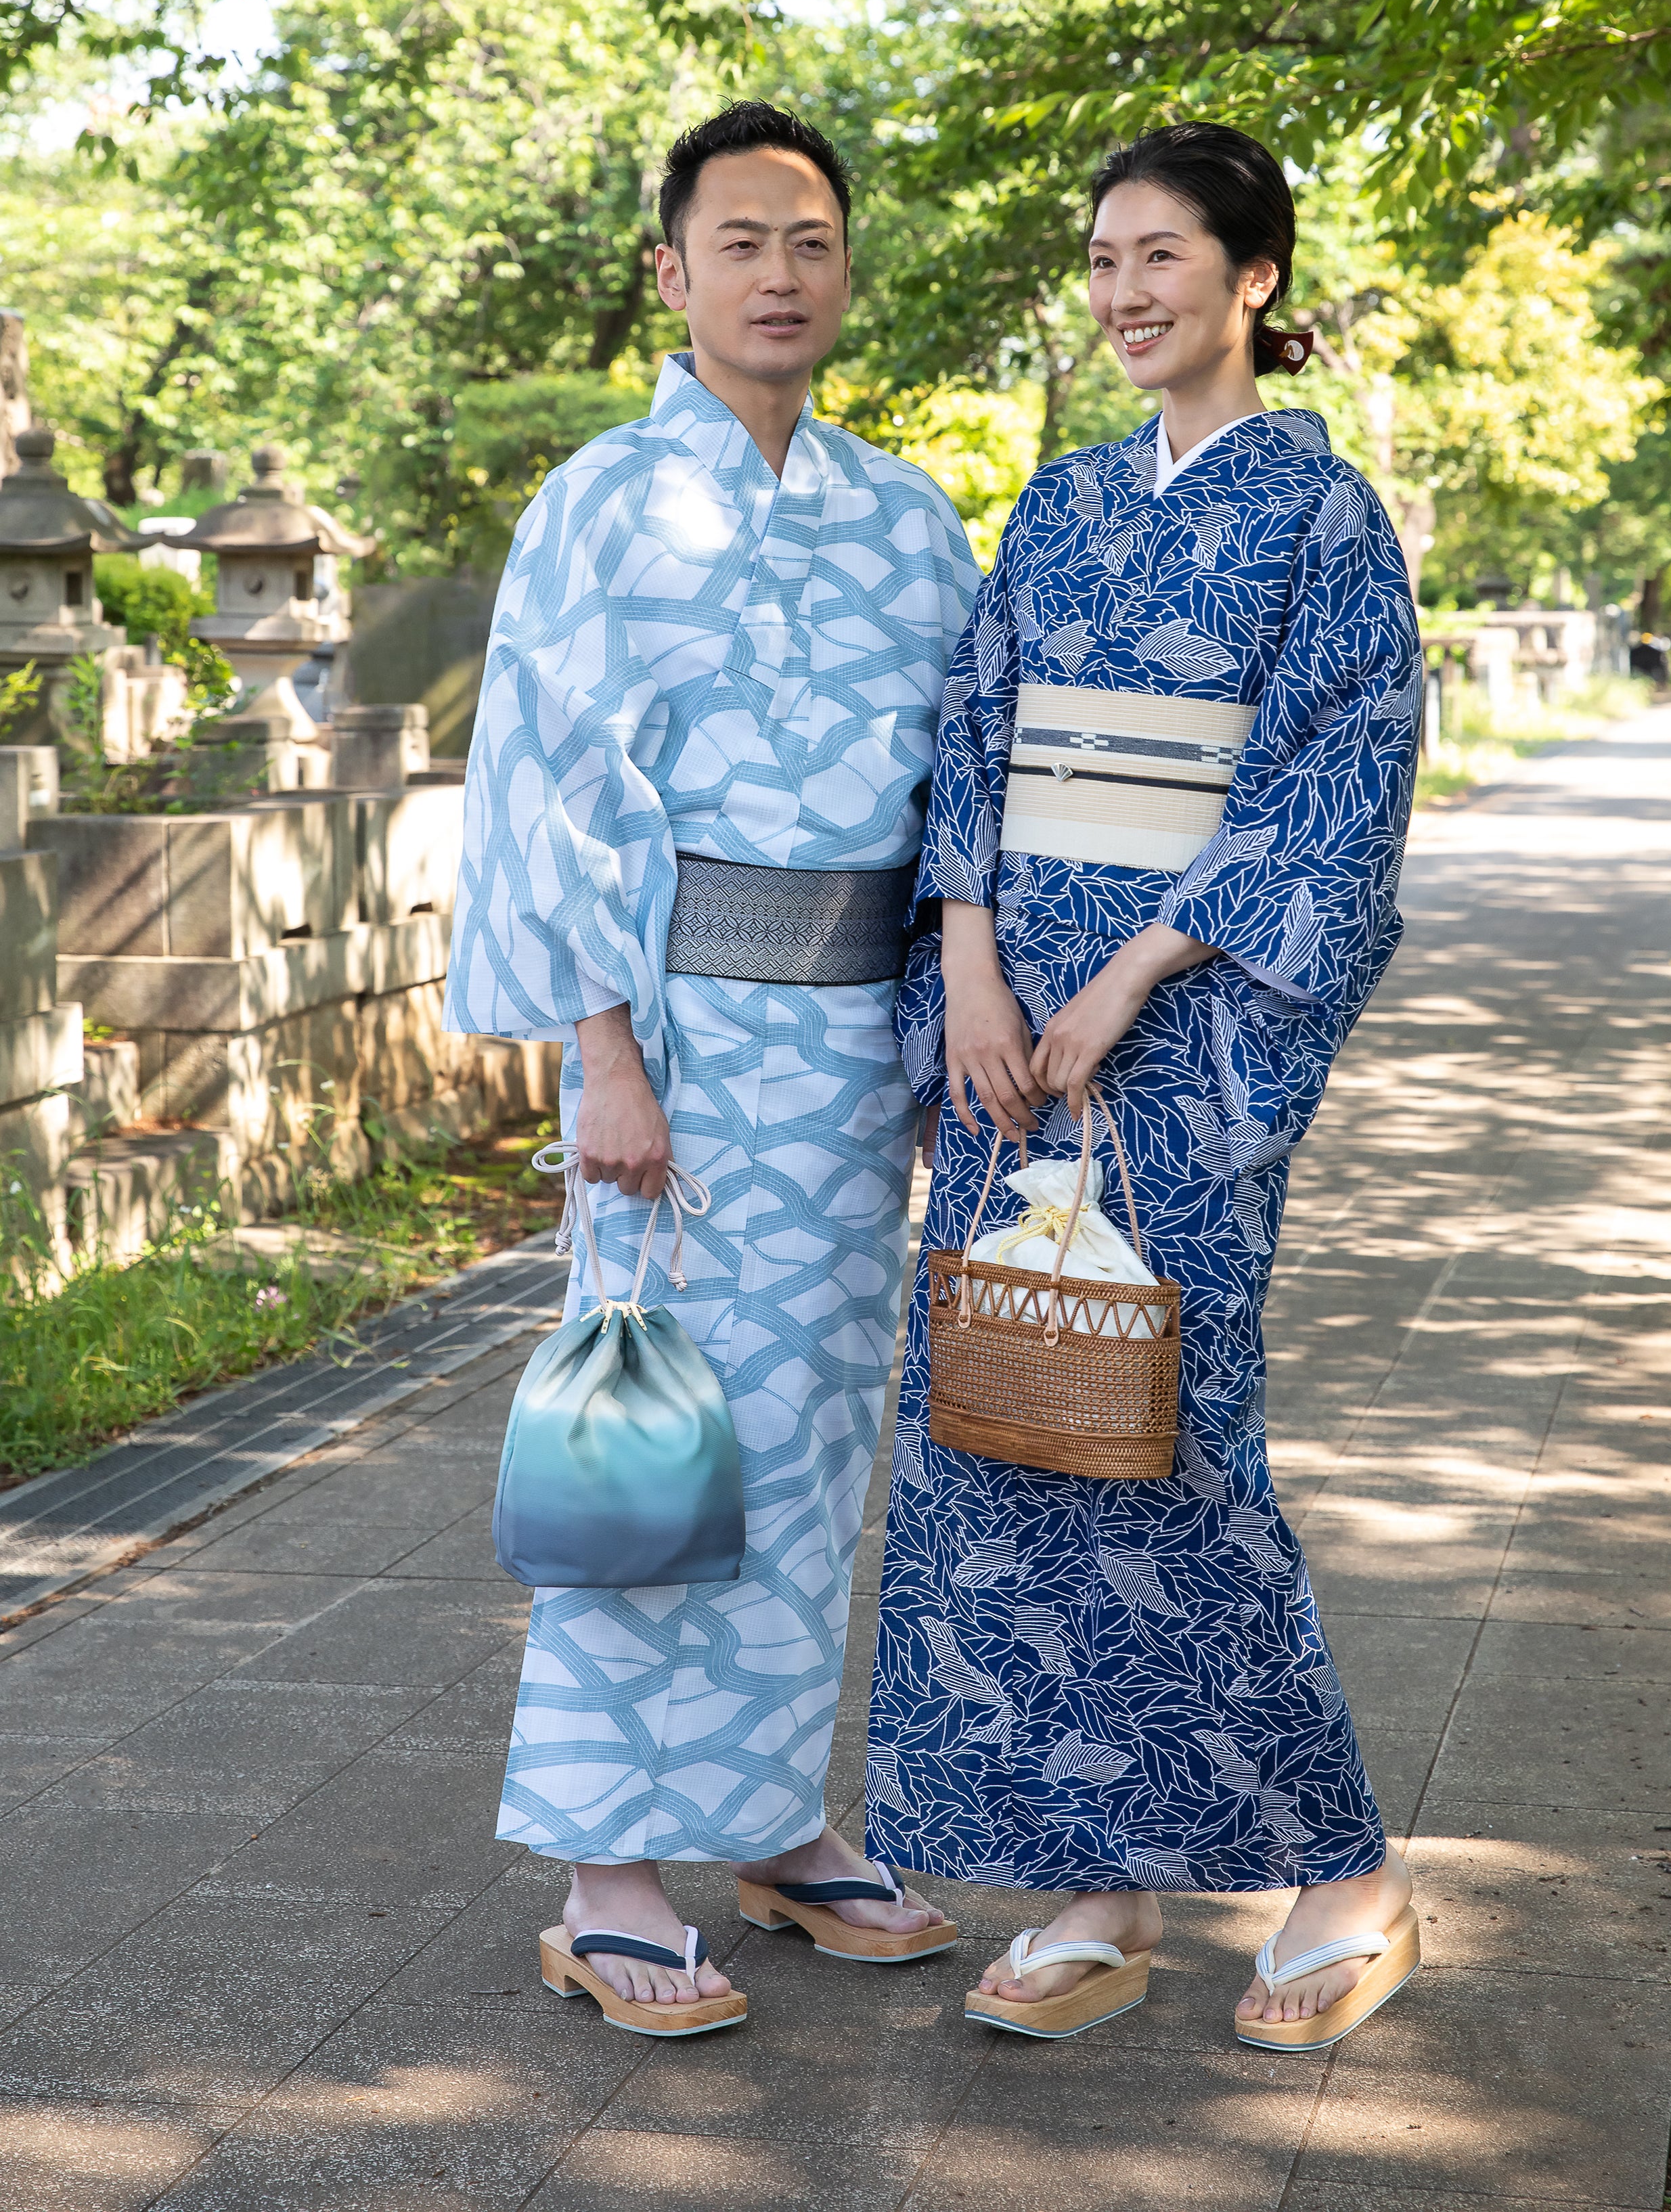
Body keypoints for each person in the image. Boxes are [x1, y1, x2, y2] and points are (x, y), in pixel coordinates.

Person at [866, 120, 1422, 2049]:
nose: (1121, 293)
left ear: (1252, 279)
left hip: (1181, 1032)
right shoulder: (1057, 504)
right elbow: (975, 736)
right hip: (1006, 1026)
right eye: (1100, 260)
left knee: (1170, 1435)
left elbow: (1331, 791)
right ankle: (1090, 1883)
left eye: (1159, 256)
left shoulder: (1323, 518)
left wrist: (1126, 975)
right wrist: (965, 964)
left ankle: (1342, 1868)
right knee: (1009, 1421)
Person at [447, 99, 981, 2034]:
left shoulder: (907, 515)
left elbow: (960, 809)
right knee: (651, 1438)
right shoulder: (603, 500)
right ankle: (605, 1877)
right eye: (740, 241)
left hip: (852, 1057)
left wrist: (952, 1032)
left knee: (819, 1447)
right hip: (665, 1046)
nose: (780, 273)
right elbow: (548, 783)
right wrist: (597, 1050)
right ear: (670, 275)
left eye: (811, 242)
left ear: (846, 276)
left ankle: (777, 1822)